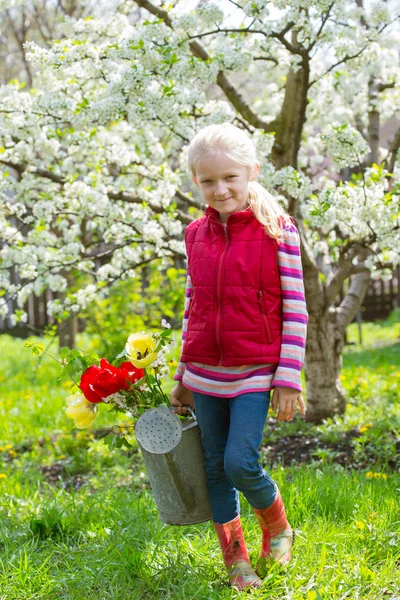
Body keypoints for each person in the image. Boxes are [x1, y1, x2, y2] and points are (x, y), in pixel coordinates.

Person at [170, 123, 308, 591]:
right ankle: (236, 559)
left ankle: (277, 525)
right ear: (195, 181)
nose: (220, 189)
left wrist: (288, 376)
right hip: (205, 374)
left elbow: (296, 307)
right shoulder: (195, 235)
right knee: (213, 466)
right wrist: (183, 374)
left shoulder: (278, 230)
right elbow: (193, 305)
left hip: (254, 371)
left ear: (252, 172)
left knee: (239, 461)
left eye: (230, 177)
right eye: (208, 181)